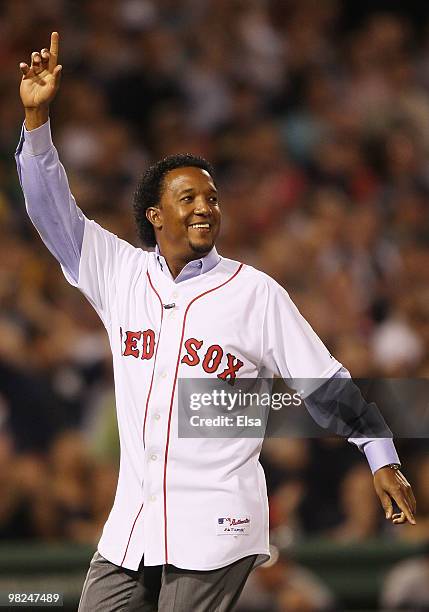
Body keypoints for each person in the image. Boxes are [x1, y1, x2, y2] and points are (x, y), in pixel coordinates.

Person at [15, 33, 417, 612]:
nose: (205, 207)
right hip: (134, 518)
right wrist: (36, 120)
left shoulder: (253, 292)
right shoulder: (118, 272)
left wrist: (380, 453)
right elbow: (50, 209)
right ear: (155, 215)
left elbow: (323, 381)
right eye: (188, 199)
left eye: (212, 198)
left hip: (218, 520)